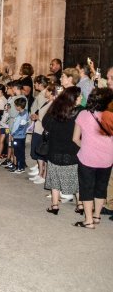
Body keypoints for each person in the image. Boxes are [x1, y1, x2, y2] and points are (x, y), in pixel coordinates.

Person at [72, 87, 113, 229]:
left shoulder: (83, 114)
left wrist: (86, 146)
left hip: (88, 158)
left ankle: (88, 220)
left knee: (87, 188)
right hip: (107, 158)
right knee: (101, 187)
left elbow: (75, 138)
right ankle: (97, 216)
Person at [44, 86, 82, 216]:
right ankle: (80, 205)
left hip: (55, 149)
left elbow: (45, 124)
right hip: (73, 150)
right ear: (73, 98)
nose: (82, 98)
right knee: (77, 179)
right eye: (79, 96)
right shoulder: (81, 112)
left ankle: (55, 205)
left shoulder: (56, 110)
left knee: (54, 178)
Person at [9, 97, 30, 174]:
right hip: (17, 136)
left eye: (15, 105)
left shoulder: (24, 115)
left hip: (19, 136)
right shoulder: (21, 113)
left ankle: (21, 167)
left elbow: (21, 127)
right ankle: (18, 166)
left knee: (19, 152)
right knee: (17, 152)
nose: (15, 107)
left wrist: (13, 134)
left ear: (19, 106)